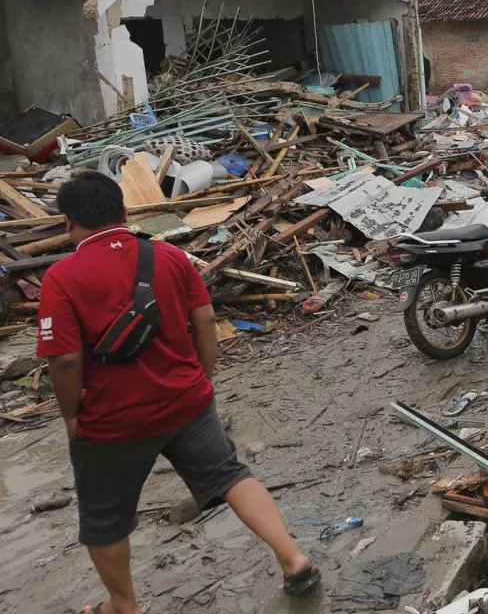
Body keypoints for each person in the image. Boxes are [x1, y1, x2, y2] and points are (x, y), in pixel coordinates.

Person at [37, 172, 318, 614]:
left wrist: (70, 415)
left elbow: (66, 360)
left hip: (114, 420)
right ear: (125, 212)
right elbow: (204, 318)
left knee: (104, 519)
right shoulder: (166, 255)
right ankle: (293, 557)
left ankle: (124, 606)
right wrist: (202, 379)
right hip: (187, 402)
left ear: (69, 223)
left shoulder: (62, 277)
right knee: (230, 475)